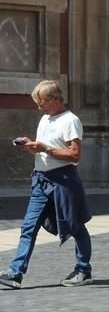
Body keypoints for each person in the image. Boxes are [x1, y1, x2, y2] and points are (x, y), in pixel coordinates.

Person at [0, 80, 93, 290]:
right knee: (28, 227)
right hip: (41, 181)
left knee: (74, 224)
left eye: (42, 103)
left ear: (55, 99)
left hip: (64, 181)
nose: (39, 107)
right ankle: (15, 273)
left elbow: (75, 155)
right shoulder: (45, 119)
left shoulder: (71, 120)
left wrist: (45, 148)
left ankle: (83, 269)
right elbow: (43, 150)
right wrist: (31, 145)